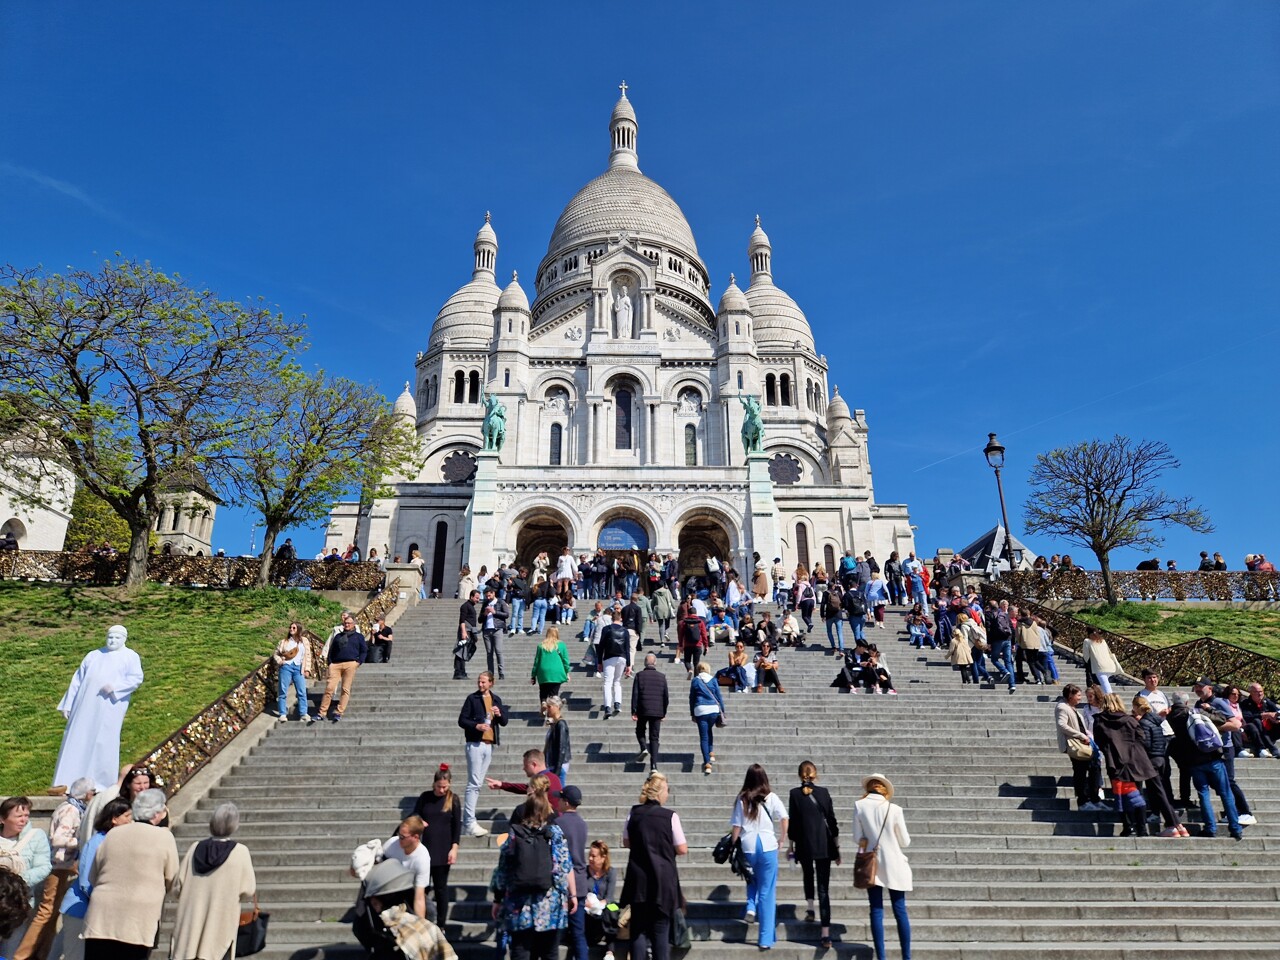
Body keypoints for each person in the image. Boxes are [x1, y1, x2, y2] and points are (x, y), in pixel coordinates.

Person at [83, 788, 179, 960]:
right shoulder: (164, 837)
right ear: (158, 813)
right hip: (139, 915)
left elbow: (93, 875)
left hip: (102, 913)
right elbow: (172, 878)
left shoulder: (113, 834)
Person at [488, 775, 575, 960]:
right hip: (550, 905)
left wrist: (498, 898)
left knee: (520, 950)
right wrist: (567, 895)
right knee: (550, 952)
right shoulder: (555, 833)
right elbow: (563, 868)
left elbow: (502, 870)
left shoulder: (514, 834)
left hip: (520, 905)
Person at [53, 625, 145, 792]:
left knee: (103, 741)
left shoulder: (130, 656)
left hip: (109, 706)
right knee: (77, 739)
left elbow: (136, 678)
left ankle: (100, 783)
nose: (113, 641)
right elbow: (77, 680)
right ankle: (67, 781)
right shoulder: (94, 655)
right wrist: (68, 703)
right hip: (84, 706)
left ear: (124, 639)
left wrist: (116, 687)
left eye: (117, 638)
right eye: (110, 637)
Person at [15, 778, 94, 960]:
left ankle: (41, 953)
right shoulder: (71, 810)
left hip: (63, 866)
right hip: (57, 866)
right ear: (86, 793)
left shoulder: (73, 808)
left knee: (51, 912)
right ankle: (21, 956)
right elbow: (58, 839)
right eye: (92, 791)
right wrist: (81, 842)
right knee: (46, 911)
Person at [169, 803, 256, 960]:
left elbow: (176, 887)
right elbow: (248, 889)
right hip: (220, 923)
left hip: (190, 923)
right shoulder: (240, 852)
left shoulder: (195, 848)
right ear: (235, 825)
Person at [620, 772, 687, 960]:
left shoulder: (633, 813)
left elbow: (626, 841)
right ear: (659, 793)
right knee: (660, 931)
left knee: (638, 930)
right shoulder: (670, 817)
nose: (667, 793)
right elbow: (682, 848)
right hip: (662, 881)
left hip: (638, 880)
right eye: (666, 789)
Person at [56, 798, 131, 960]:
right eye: (127, 816)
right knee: (76, 956)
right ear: (114, 819)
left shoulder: (119, 841)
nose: (131, 820)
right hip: (81, 911)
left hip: (101, 913)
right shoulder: (97, 842)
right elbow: (86, 881)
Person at [852, 774, 911, 960]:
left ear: (868, 788)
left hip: (872, 862)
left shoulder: (859, 806)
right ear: (884, 789)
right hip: (894, 863)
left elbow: (856, 837)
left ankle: (881, 957)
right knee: (900, 910)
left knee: (876, 910)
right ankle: (906, 957)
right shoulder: (895, 809)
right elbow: (905, 841)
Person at [1167, 693, 1242, 840]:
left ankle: (1210, 828)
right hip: (1212, 757)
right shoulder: (1194, 711)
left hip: (1194, 761)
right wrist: (1209, 709)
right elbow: (1221, 719)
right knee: (1226, 793)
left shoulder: (1171, 717)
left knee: (1203, 794)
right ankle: (1235, 828)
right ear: (1187, 701)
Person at [729, 764, 787, 950]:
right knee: (767, 892)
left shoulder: (742, 799)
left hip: (748, 845)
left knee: (751, 880)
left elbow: (737, 826)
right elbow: (784, 818)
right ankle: (765, 938)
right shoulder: (772, 797)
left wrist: (733, 845)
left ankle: (751, 908)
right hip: (768, 845)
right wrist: (782, 839)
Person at [787, 761, 839, 948]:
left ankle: (810, 908)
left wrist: (790, 846)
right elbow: (832, 822)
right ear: (815, 775)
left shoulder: (794, 794)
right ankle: (825, 934)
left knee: (807, 874)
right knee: (824, 889)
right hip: (824, 845)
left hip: (804, 845)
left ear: (799, 775)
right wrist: (837, 847)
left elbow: (792, 823)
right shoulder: (823, 793)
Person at [1091, 693, 1159, 837]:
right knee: (1136, 795)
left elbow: (1099, 742)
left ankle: (1128, 826)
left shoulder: (1100, 721)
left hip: (1115, 763)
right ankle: (1142, 828)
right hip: (1135, 762)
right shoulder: (1130, 720)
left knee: (1120, 795)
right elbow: (1142, 737)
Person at [0, 797, 52, 958]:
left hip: (18, 903)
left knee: (11, 948)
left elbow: (44, 867)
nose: (23, 820)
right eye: (18, 816)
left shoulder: (36, 837)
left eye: (26, 815)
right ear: (3, 819)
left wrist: (16, 882)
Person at [458, 673, 508, 838]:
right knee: (474, 783)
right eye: (479, 681)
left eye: (483, 682)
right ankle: (469, 822)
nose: (480, 684)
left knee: (478, 783)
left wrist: (499, 713)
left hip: (489, 745)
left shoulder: (496, 699)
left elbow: (504, 721)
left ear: (491, 683)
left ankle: (469, 821)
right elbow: (462, 720)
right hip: (475, 743)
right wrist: (476, 726)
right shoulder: (472, 699)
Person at [412, 764, 462, 925]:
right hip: (425, 848)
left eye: (445, 787)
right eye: (439, 787)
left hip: (443, 849)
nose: (442, 790)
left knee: (441, 888)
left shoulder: (452, 799)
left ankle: (441, 924)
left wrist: (454, 847)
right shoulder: (425, 797)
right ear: (434, 784)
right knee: (422, 887)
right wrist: (419, 821)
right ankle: (422, 919)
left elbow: (457, 826)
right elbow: (415, 814)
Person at [1132, 697, 1188, 837]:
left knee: (1159, 794)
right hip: (1160, 758)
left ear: (1137, 707)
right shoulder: (1155, 722)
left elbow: (1146, 744)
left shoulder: (1144, 723)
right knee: (1160, 793)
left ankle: (1172, 826)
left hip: (1151, 761)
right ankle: (1179, 826)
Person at [1055, 684, 1103, 811]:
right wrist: (1080, 735)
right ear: (1070, 696)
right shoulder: (1062, 707)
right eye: (1079, 695)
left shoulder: (1072, 708)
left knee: (1095, 768)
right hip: (1076, 746)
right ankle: (1082, 801)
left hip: (1085, 743)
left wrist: (1086, 734)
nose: (1081, 698)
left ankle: (1095, 798)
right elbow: (1062, 725)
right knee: (1080, 772)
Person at [555, 786, 590, 960]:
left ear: (566, 802)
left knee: (554, 933)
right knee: (578, 932)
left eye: (560, 799)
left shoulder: (558, 823)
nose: (558, 802)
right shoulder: (582, 823)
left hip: (563, 881)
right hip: (581, 880)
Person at [378, 817, 432, 921]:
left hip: (408, 891)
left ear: (415, 837)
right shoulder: (392, 844)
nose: (399, 839)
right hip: (386, 887)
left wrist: (419, 926)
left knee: (430, 911)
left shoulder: (422, 858)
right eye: (399, 835)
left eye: (403, 837)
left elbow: (419, 897)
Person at [486, 749, 564, 819]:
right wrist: (502, 785)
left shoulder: (543, 780)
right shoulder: (554, 777)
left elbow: (525, 788)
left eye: (526, 765)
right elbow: (525, 788)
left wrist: (502, 785)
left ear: (534, 764)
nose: (523, 768)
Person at [319, 611, 367, 723]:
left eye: (349, 623)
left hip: (350, 664)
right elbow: (331, 649)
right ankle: (322, 712)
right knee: (329, 688)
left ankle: (339, 712)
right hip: (335, 664)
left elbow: (364, 650)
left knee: (345, 689)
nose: (347, 625)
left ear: (354, 624)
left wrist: (358, 662)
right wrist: (330, 662)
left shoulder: (358, 637)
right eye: (345, 623)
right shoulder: (338, 636)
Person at [631, 653, 669, 771]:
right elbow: (666, 697)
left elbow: (635, 695)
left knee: (640, 730)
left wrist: (634, 711)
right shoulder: (662, 677)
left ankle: (643, 748)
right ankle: (654, 765)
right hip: (657, 710)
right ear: (655, 663)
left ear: (644, 663)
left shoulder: (639, 675)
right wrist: (664, 712)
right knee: (654, 738)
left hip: (643, 709)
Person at [272, 621, 314, 722]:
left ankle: (303, 713)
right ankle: (282, 713)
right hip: (286, 667)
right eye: (290, 627)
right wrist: (280, 661)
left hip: (299, 668)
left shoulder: (304, 641)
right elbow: (276, 654)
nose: (291, 629)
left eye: (294, 628)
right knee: (282, 691)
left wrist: (307, 669)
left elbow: (307, 655)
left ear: (299, 629)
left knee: (301, 691)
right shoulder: (284, 642)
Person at [690, 662, 726, 775]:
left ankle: (707, 763)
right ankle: (711, 753)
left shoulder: (695, 680)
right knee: (709, 730)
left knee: (704, 737)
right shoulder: (713, 680)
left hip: (700, 710)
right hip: (713, 710)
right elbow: (719, 696)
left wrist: (692, 712)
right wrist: (723, 711)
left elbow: (691, 698)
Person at [582, 841, 617, 960]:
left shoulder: (610, 872)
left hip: (605, 905)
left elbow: (610, 896)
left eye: (594, 856)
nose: (590, 858)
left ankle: (610, 951)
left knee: (613, 908)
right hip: (588, 908)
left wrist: (601, 904)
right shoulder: (584, 872)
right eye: (590, 855)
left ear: (603, 858)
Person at [597, 609, 632, 720]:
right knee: (617, 681)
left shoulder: (606, 629)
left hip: (609, 657)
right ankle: (617, 703)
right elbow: (627, 648)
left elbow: (601, 646)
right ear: (620, 618)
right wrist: (629, 664)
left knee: (608, 682)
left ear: (612, 618)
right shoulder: (625, 631)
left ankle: (608, 707)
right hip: (622, 657)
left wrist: (599, 661)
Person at [531, 627, 570, 701]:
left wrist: (533, 675)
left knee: (543, 692)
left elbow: (536, 661)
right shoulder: (561, 645)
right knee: (554, 695)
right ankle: (552, 708)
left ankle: (543, 703)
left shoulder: (541, 645)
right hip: (556, 672)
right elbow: (565, 660)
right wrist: (567, 672)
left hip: (543, 672)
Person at [480, 588, 510, 681]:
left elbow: (506, 614)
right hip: (486, 630)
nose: (488, 597)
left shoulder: (500, 602)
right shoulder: (485, 603)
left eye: (489, 595)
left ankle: (501, 673)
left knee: (498, 651)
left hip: (497, 629)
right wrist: (484, 613)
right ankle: (490, 674)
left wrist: (495, 612)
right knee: (489, 653)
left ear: (493, 593)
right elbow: (479, 620)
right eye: (486, 596)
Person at [543, 697, 572, 784]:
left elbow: (562, 748)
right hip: (552, 763)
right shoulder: (555, 724)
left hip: (558, 765)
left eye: (549, 706)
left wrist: (557, 770)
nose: (547, 709)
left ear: (557, 707)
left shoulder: (561, 724)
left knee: (558, 790)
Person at [1083, 627, 1120, 695]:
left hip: (1099, 666)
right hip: (1109, 665)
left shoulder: (1087, 641)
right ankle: (1104, 700)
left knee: (1105, 686)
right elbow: (1108, 651)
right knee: (1103, 684)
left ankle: (1111, 700)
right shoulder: (1102, 640)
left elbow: (1086, 656)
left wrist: (1088, 664)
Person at [677, 605, 708, 680]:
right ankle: (696, 678)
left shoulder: (684, 622)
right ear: (696, 613)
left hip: (687, 645)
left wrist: (681, 645)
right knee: (696, 663)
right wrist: (706, 645)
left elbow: (681, 634)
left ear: (688, 613)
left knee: (687, 661)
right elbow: (704, 634)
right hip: (697, 645)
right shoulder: (700, 621)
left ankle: (689, 670)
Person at [455, 590, 480, 681]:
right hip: (465, 631)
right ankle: (459, 672)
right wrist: (464, 632)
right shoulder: (465, 606)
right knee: (461, 652)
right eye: (476, 598)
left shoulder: (471, 607)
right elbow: (462, 620)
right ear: (471, 597)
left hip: (470, 631)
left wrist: (474, 635)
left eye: (479, 598)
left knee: (465, 652)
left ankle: (462, 671)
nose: (478, 600)